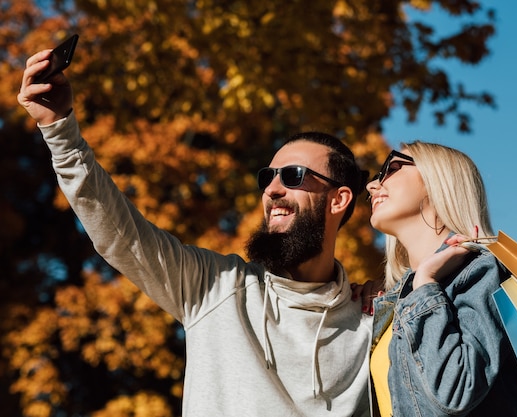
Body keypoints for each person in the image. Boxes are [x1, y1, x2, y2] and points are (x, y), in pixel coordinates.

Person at [18, 49, 374, 416]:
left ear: (338, 200)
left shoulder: (373, 321)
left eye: (293, 176)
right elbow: (121, 234)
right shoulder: (215, 287)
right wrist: (60, 129)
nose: (272, 190)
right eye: (267, 177)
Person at [362, 142, 517, 417]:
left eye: (393, 167)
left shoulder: (482, 272)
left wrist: (425, 283)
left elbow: (455, 391)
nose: (372, 186)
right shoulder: (395, 301)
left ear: (439, 180)